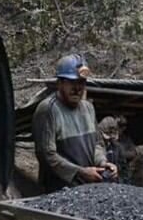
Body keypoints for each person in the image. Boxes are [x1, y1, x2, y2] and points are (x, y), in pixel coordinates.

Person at [32, 54, 117, 193]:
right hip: (58, 191)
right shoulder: (48, 110)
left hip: (88, 188)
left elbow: (97, 144)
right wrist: (80, 172)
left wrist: (103, 163)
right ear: (60, 83)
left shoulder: (88, 108)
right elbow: (47, 155)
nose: (77, 88)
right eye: (72, 83)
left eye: (81, 83)